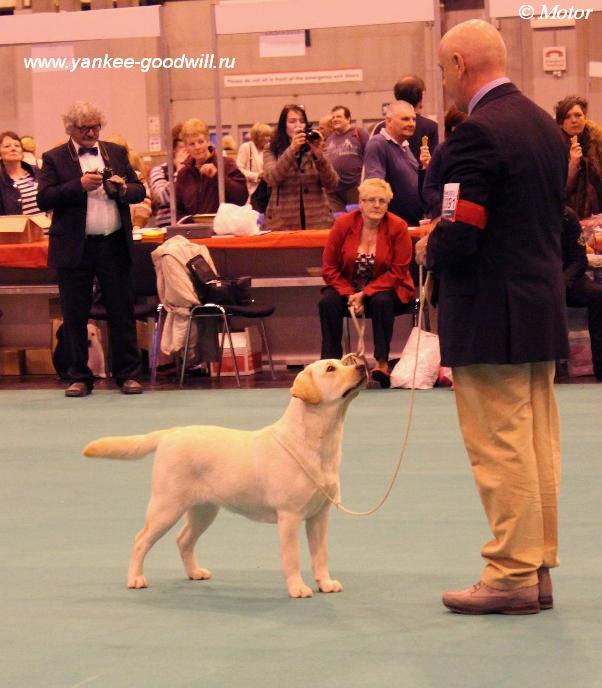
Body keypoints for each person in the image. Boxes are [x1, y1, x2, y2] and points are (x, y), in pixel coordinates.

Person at [415, 20, 569, 615]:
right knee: (536, 443)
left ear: (458, 63)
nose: (444, 80)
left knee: (500, 446)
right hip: (537, 306)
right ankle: (537, 564)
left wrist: (431, 246)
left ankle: (509, 575)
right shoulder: (546, 128)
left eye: (443, 68)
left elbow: (462, 224)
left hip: (489, 314)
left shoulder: (475, 136)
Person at [37, 100, 146, 397]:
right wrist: (79, 185)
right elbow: (44, 198)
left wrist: (123, 189)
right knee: (74, 314)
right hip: (75, 248)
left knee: (122, 311)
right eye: (85, 128)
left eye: (96, 126)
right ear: (71, 129)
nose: (92, 132)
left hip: (113, 243)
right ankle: (79, 377)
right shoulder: (54, 158)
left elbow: (140, 190)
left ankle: (128, 375)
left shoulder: (117, 152)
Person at [319, 178, 414, 387]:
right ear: (360, 203)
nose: (376, 205)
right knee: (328, 302)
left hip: (388, 288)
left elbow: (398, 271)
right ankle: (330, 363)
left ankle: (381, 363)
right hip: (349, 288)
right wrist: (348, 293)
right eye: (371, 200)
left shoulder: (398, 227)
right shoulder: (343, 224)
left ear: (388, 204)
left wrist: (365, 293)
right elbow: (329, 268)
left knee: (381, 300)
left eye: (382, 201)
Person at [262, 104, 338, 231]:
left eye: (302, 121)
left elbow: (332, 183)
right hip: (283, 223)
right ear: (283, 126)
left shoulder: (316, 144)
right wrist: (292, 149)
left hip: (318, 221)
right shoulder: (271, 148)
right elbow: (271, 179)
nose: (298, 125)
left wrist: (319, 157)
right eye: (292, 121)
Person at [363, 101, 431, 226]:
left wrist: (425, 167)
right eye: (405, 119)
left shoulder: (405, 146)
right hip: (394, 229)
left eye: (413, 119)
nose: (411, 124)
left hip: (412, 225)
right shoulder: (378, 144)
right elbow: (374, 187)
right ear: (389, 121)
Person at [176, 118, 247, 217]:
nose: (197, 147)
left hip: (223, 228)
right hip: (193, 229)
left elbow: (242, 197)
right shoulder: (183, 174)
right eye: (192, 144)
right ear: (186, 147)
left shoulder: (226, 164)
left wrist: (216, 176)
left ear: (208, 141)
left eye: (201, 142)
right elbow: (178, 209)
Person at [562, 207, 602, 380]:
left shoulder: (568, 216)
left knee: (599, 295)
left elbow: (579, 260)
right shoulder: (529, 215)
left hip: (567, 278)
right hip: (538, 280)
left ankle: (600, 367)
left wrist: (563, 280)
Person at [554, 95, 602, 219]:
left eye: (578, 115)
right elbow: (559, 191)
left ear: (585, 118)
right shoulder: (554, 146)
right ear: (560, 123)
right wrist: (573, 166)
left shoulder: (598, 142)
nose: (574, 120)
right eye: (568, 117)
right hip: (568, 216)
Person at [371, 75, 439, 160]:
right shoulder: (431, 127)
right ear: (421, 96)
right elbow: (436, 163)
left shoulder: (381, 126)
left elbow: (371, 160)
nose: (411, 124)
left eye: (413, 120)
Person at [422, 106, 468, 218]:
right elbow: (429, 189)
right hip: (446, 216)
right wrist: (446, 205)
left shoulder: (482, 150)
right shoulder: (442, 150)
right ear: (451, 128)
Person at [324, 105, 369, 212]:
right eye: (333, 118)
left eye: (338, 116)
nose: (335, 119)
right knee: (339, 221)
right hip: (334, 191)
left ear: (348, 119)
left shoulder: (359, 133)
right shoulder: (329, 139)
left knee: (355, 219)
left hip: (354, 188)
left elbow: (370, 157)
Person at [149, 123, 187, 228]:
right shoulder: (160, 171)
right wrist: (179, 172)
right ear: (174, 147)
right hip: (168, 230)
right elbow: (161, 198)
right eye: (184, 141)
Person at [0, 131, 41, 216]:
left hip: (44, 227)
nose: (13, 148)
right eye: (7, 146)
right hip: (15, 228)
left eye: (17, 145)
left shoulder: (36, 172)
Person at [236, 122, 272, 198]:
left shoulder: (269, 149)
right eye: (265, 136)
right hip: (251, 191)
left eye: (269, 136)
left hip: (266, 191)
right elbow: (238, 170)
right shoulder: (246, 147)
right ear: (257, 137)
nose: (268, 138)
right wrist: (257, 175)